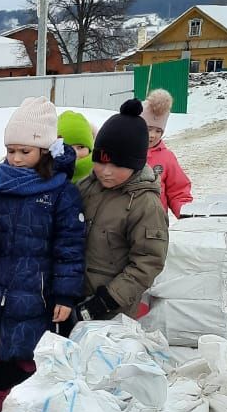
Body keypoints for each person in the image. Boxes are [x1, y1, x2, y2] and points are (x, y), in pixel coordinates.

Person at [0, 97, 85, 412]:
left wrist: (65, 295)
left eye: (24, 151)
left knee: (28, 367)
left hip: (37, 299)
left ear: (44, 151)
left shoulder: (61, 192)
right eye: (11, 150)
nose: (15, 158)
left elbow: (70, 246)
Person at [77, 98, 169, 321]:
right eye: (100, 161)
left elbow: (148, 262)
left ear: (135, 165)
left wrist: (107, 300)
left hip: (113, 311)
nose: (106, 171)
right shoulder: (86, 186)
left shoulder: (145, 204)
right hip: (73, 299)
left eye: (118, 165)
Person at [141, 88, 193, 218]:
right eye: (148, 129)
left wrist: (184, 211)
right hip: (124, 223)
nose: (152, 135)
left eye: (158, 131)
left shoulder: (167, 157)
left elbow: (178, 191)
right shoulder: (124, 151)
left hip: (155, 225)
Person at [57, 110, 95, 184]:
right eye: (67, 147)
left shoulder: (102, 178)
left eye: (80, 147)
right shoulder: (45, 176)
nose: (75, 153)